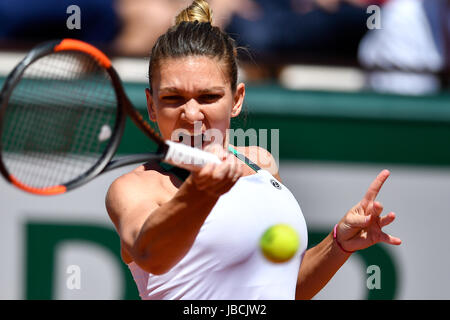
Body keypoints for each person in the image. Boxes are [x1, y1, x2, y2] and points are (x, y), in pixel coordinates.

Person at [105, 0, 401, 300]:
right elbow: (150, 255)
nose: (191, 114)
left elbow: (285, 289)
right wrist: (200, 192)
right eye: (173, 98)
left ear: (236, 99)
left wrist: (338, 244)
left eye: (208, 96)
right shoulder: (133, 189)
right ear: (151, 105)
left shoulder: (261, 162)